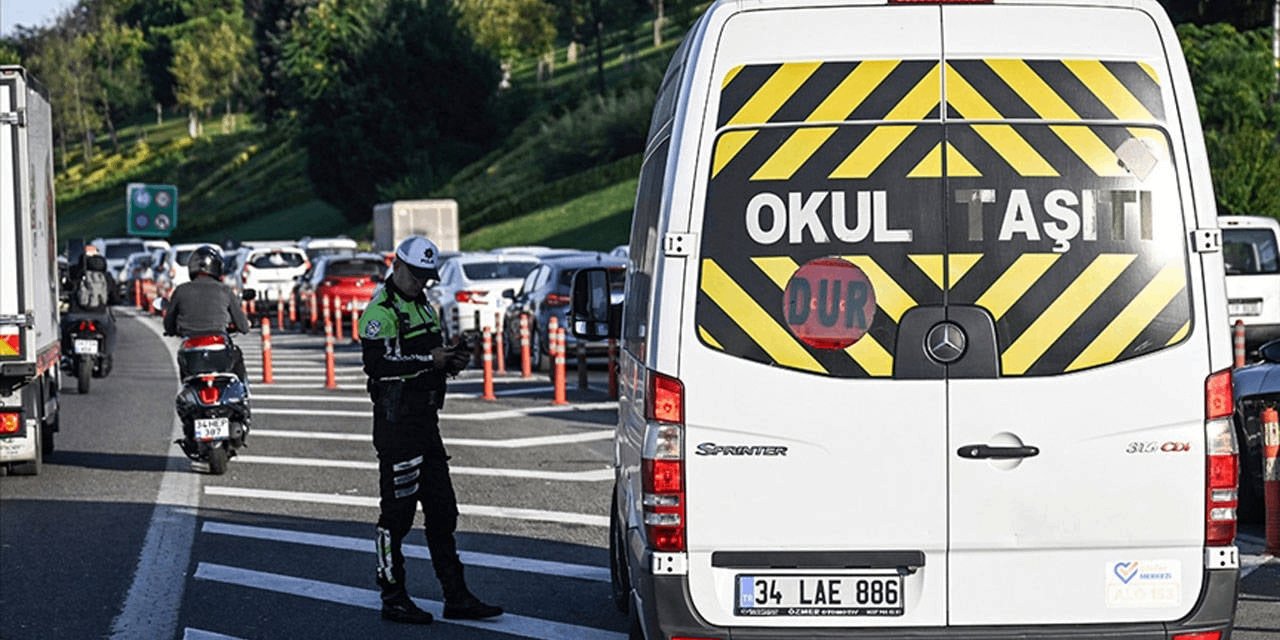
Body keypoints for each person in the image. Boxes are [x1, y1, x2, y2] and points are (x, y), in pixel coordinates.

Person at [358, 235, 501, 625]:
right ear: (397, 265)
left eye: (427, 277)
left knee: (443, 512)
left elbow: (431, 362)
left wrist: (453, 359)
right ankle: (393, 595)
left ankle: (456, 595)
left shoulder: (423, 306)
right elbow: (378, 365)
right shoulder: (380, 310)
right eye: (417, 275)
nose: (422, 283)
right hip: (396, 425)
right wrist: (430, 358)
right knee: (397, 516)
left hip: (427, 424)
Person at [163, 245, 251, 383]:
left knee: (185, 372)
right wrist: (243, 326)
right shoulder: (225, 290)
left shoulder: (180, 290)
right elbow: (243, 326)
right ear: (217, 267)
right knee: (236, 355)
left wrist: (172, 330)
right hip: (218, 345)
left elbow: (168, 324)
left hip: (191, 349)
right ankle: (243, 392)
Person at [63, 246, 120, 371]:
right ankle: (105, 355)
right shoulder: (106, 276)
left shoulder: (75, 273)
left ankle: (65, 354)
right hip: (100, 315)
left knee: (63, 328)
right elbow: (115, 297)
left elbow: (66, 288)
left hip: (75, 315)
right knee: (111, 330)